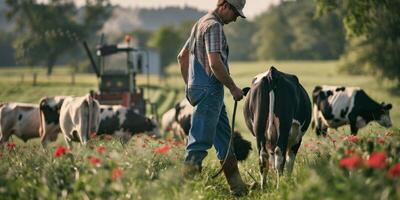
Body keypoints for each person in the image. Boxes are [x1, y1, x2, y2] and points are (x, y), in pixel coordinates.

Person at [177, 0, 248, 196]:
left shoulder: (200, 23)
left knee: (225, 142)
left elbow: (182, 57)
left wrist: (190, 86)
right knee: (199, 143)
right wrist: (233, 88)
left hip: (204, 91)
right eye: (235, 13)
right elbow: (215, 63)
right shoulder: (214, 26)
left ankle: (238, 188)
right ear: (224, 5)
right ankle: (186, 192)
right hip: (211, 92)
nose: (235, 19)